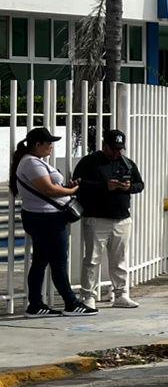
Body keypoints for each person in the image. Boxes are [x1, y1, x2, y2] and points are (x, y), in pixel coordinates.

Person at [12, 127, 95, 316]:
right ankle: (71, 303)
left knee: (41, 261)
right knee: (58, 261)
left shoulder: (33, 162)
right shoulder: (31, 163)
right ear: (37, 144)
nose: (51, 146)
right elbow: (48, 190)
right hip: (46, 218)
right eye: (48, 143)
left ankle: (35, 304)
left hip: (43, 216)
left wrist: (65, 188)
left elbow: (49, 188)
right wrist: (72, 191)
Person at [71, 128, 145, 309]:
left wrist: (128, 187)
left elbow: (140, 184)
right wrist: (105, 186)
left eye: (120, 149)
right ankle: (88, 295)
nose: (117, 152)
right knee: (92, 259)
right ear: (104, 146)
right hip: (96, 218)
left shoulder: (126, 163)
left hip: (121, 218)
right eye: (113, 148)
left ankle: (121, 293)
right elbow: (77, 184)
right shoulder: (90, 162)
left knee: (119, 259)